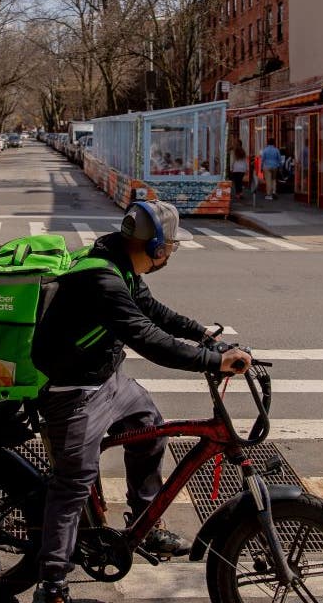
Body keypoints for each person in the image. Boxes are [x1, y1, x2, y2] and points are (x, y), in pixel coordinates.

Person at [29, 201, 253, 603]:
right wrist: (216, 361)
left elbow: (152, 311)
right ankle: (52, 584)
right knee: (73, 483)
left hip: (107, 379)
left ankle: (146, 526)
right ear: (155, 247)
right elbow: (148, 339)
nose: (170, 255)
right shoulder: (103, 279)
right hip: (74, 393)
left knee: (149, 430)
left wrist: (203, 335)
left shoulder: (120, 262)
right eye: (170, 248)